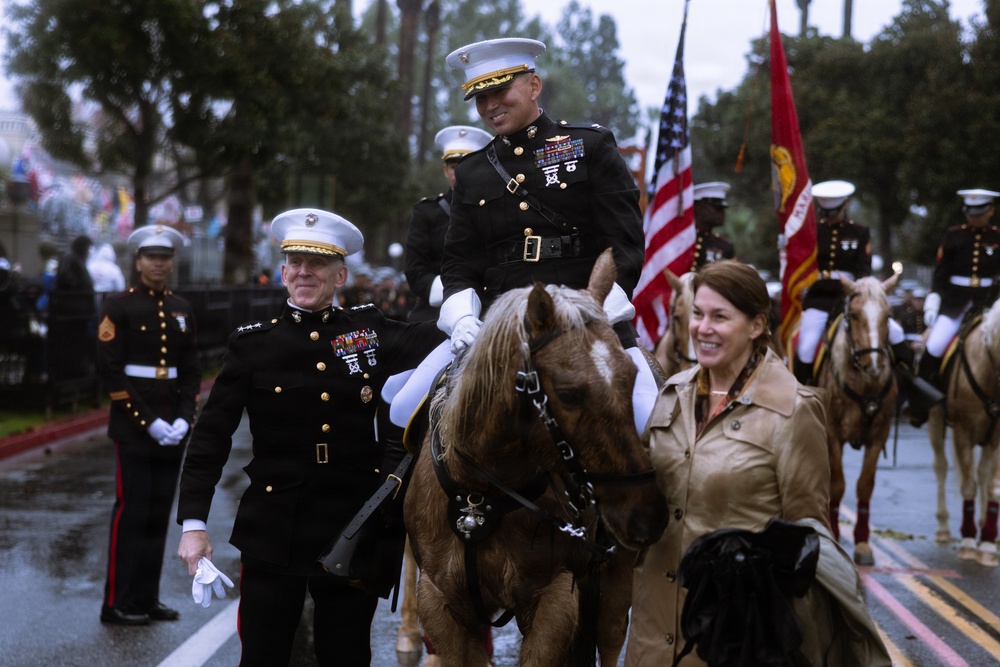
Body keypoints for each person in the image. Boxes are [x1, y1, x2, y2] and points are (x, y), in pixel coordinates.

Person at [175, 209, 445, 667]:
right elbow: (211, 437)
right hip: (275, 524)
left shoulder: (369, 332)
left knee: (346, 654)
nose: (304, 271)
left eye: (317, 263)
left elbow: (446, 339)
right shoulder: (254, 344)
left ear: (340, 274)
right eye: (295, 262)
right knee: (262, 654)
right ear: (282, 273)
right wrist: (193, 526)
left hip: (352, 522)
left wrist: (473, 307)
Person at [624, 260, 891, 666]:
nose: (702, 328)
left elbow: (806, 541)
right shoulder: (671, 394)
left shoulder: (793, 411)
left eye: (719, 317)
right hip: (651, 636)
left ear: (755, 326)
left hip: (737, 641)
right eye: (697, 314)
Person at [389, 37, 656, 436]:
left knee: (648, 417)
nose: (489, 106)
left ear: (534, 86)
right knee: (404, 407)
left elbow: (625, 243)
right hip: (498, 324)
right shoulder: (473, 172)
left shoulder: (590, 145)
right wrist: (462, 317)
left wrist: (600, 306)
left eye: (499, 91)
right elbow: (458, 262)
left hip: (586, 315)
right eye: (480, 98)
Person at [97, 224, 201, 626]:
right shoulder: (119, 306)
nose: (159, 263)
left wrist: (182, 417)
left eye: (165, 257)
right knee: (131, 514)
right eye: (151, 257)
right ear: (138, 261)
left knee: (158, 514)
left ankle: (146, 598)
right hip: (133, 428)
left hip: (171, 427)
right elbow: (111, 373)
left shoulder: (181, 308)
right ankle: (116, 602)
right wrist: (149, 422)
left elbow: (191, 369)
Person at [912, 188, 1000, 425]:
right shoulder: (953, 235)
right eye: (970, 212)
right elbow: (941, 274)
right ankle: (921, 406)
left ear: (990, 211)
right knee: (933, 348)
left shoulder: (997, 236)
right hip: (954, 304)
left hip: (989, 305)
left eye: (979, 212)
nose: (974, 217)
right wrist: (934, 300)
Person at [404, 125, 492, 323]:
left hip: (490, 310)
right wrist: (458, 301)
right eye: (454, 166)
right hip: (436, 313)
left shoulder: (496, 207)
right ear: (445, 170)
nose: (460, 173)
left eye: (468, 165)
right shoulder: (427, 211)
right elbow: (415, 270)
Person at [53, 234, 97, 378]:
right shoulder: (71, 258)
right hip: (72, 312)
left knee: (77, 346)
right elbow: (65, 278)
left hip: (78, 312)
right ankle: (71, 374)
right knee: (71, 346)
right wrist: (82, 287)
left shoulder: (75, 258)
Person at [691, 181, 736, 270]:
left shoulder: (724, 245)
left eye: (722, 208)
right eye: (717, 208)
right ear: (699, 208)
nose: (722, 213)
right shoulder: (681, 242)